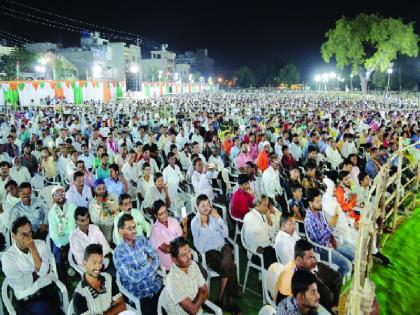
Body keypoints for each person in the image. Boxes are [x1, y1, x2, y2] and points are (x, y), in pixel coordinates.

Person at [191, 194, 241, 314]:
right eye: (203, 205)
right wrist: (203, 227)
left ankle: (220, 296)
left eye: (208, 204)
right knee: (231, 267)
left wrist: (218, 218)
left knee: (227, 257)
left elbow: (225, 234)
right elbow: (199, 247)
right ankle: (229, 302)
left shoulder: (213, 216)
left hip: (223, 247)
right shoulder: (194, 223)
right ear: (197, 207)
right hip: (210, 252)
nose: (206, 207)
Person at [2, 216, 63, 315]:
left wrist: (33, 248)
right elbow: (21, 284)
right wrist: (38, 273)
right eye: (23, 234)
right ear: (13, 236)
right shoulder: (8, 257)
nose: (28, 237)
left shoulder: (40, 244)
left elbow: (44, 271)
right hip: (26, 300)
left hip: (47, 293)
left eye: (29, 232)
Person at [114, 214, 163, 315]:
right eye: (129, 228)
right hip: (141, 295)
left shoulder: (142, 240)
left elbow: (156, 258)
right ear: (121, 231)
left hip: (156, 285)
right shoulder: (118, 253)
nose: (134, 231)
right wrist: (148, 262)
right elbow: (134, 278)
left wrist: (143, 272)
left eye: (134, 227)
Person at [275, 239, 342, 313]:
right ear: (299, 259)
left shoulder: (303, 265)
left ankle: (334, 307)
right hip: (299, 302)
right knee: (326, 295)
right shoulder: (289, 277)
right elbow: (291, 305)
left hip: (309, 270)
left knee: (336, 278)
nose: (313, 260)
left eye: (313, 257)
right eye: (310, 257)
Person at [304, 189, 354, 277]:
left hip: (330, 244)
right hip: (323, 251)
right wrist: (330, 226)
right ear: (310, 203)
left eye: (321, 200)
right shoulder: (309, 220)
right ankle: (335, 283)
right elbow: (319, 241)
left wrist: (332, 237)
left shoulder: (319, 212)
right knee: (347, 266)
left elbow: (325, 228)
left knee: (353, 255)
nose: (320, 203)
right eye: (317, 201)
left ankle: (342, 275)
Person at [72, 244, 126, 314]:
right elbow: (118, 306)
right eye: (94, 263)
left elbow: (122, 305)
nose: (98, 267)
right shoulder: (79, 295)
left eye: (100, 262)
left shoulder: (108, 278)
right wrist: (113, 310)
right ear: (84, 263)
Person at [165, 237, 209, 314]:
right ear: (174, 259)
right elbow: (192, 311)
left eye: (189, 251)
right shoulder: (172, 280)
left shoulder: (193, 264)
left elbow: (206, 291)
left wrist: (195, 303)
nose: (189, 256)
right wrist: (201, 292)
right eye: (183, 255)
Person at [48, 185, 77, 281]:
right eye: (57, 194)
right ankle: (63, 279)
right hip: (59, 241)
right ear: (53, 197)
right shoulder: (51, 213)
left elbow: (75, 225)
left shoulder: (72, 207)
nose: (60, 195)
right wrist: (61, 246)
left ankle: (76, 272)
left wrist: (72, 242)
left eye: (62, 193)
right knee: (58, 256)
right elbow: (53, 234)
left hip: (73, 238)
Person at [150, 200, 188, 271]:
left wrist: (185, 225)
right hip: (169, 264)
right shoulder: (155, 230)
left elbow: (183, 239)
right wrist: (180, 248)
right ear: (156, 215)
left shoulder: (173, 221)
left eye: (165, 211)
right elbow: (166, 249)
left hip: (180, 258)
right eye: (161, 214)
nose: (165, 215)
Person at [242, 195, 277, 269]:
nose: (267, 208)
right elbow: (247, 238)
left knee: (281, 251)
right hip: (256, 253)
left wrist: (268, 216)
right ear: (258, 204)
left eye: (267, 205)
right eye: (265, 205)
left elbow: (271, 231)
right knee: (276, 256)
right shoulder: (250, 217)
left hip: (267, 245)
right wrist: (256, 248)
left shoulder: (261, 215)